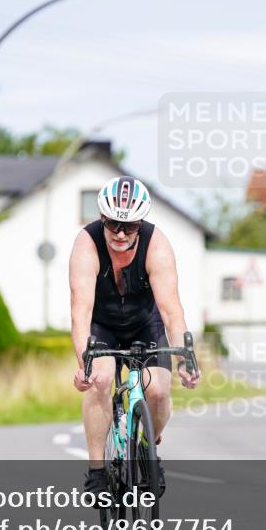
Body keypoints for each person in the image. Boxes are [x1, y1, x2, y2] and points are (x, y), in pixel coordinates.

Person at [69, 176, 201, 498]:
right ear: (102, 218)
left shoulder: (157, 245)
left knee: (158, 390)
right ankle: (97, 473)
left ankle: (146, 446)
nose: (120, 234)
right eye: (113, 224)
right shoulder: (87, 245)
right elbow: (81, 312)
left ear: (140, 224)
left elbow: (171, 311)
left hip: (145, 324)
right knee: (100, 380)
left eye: (129, 227)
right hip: (102, 326)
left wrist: (186, 358)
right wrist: (84, 365)